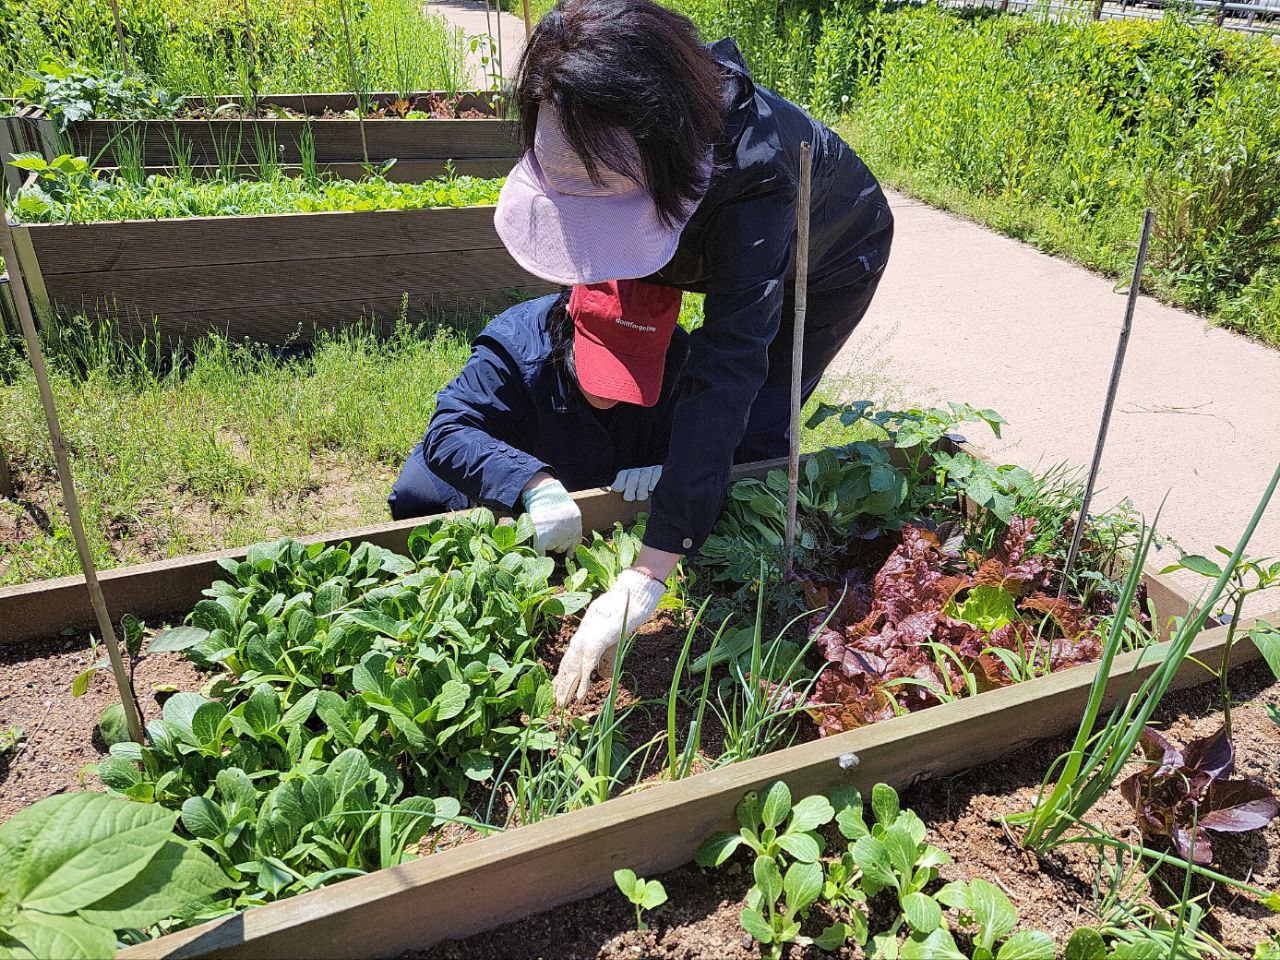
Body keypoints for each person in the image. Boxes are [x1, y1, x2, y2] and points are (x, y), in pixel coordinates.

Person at [494, 0, 895, 704]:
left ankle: (743, 574)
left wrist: (647, 573)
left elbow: (729, 366)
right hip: (693, 225)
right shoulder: (594, 105)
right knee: (675, 402)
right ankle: (690, 514)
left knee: (756, 421)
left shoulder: (756, 178)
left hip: (831, 256)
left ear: (664, 146)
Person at [388, 279, 689, 555]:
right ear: (573, 320)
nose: (613, 389)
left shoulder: (676, 349)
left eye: (632, 368)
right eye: (606, 363)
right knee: (418, 495)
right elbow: (448, 432)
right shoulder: (515, 345)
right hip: (527, 451)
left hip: (617, 462)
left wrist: (669, 465)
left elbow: (715, 436)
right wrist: (531, 482)